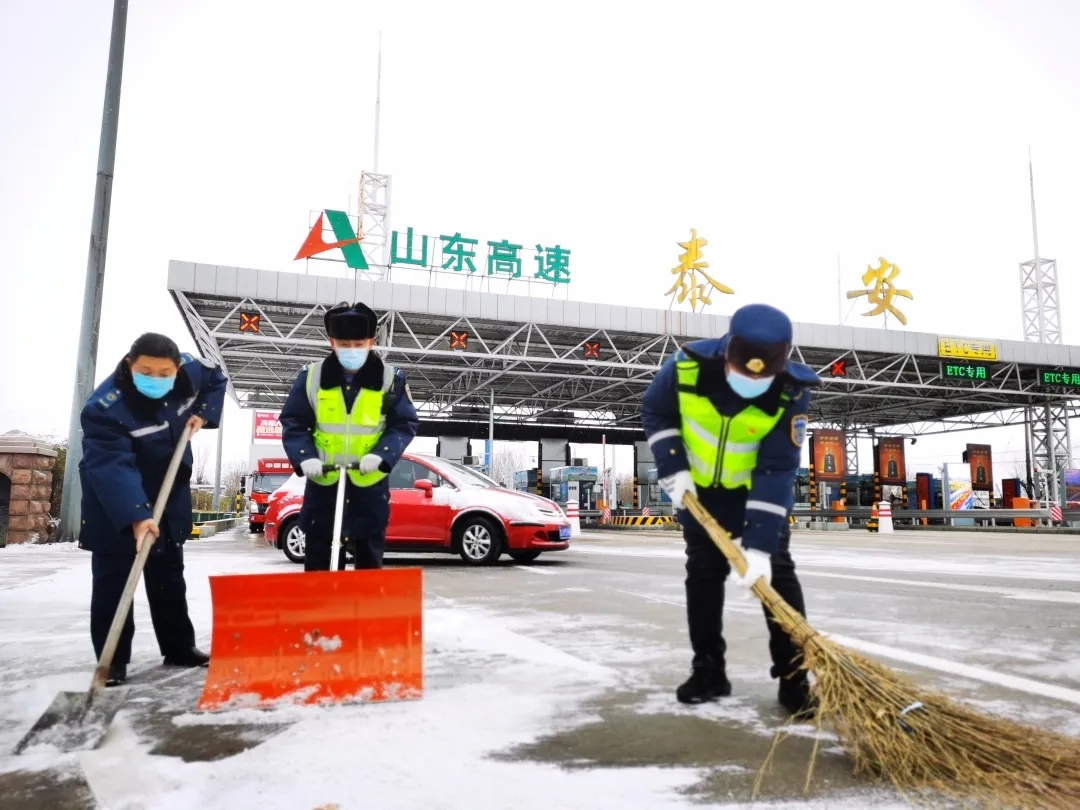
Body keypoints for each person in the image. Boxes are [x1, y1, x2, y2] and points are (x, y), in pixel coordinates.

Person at [640, 303, 821, 717]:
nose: (751, 383)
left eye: (762, 377)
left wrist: (759, 547)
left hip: (755, 494)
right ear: (727, 354)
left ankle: (794, 678)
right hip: (698, 493)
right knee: (703, 576)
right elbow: (657, 411)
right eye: (744, 373)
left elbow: (776, 468)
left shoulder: (790, 391)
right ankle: (709, 670)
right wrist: (672, 467)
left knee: (777, 578)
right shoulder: (685, 367)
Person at [78, 332, 228, 686]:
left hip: (168, 490)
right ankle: (112, 661)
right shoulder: (105, 409)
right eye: (146, 372)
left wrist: (203, 413)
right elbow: (112, 465)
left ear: (177, 368)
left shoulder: (190, 371)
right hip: (115, 499)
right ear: (130, 365)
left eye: (164, 373)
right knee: (116, 580)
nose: (155, 379)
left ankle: (179, 648)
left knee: (168, 575)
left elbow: (216, 377)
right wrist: (137, 515)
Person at [279, 301, 419, 571]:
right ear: (332, 342)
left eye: (359, 344)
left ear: (371, 342)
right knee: (319, 563)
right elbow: (294, 421)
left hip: (368, 487)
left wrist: (382, 455)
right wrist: (305, 457)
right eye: (344, 344)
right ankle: (322, 598)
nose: (351, 350)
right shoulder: (311, 377)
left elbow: (404, 423)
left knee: (368, 564)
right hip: (324, 484)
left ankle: (364, 599)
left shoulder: (391, 379)